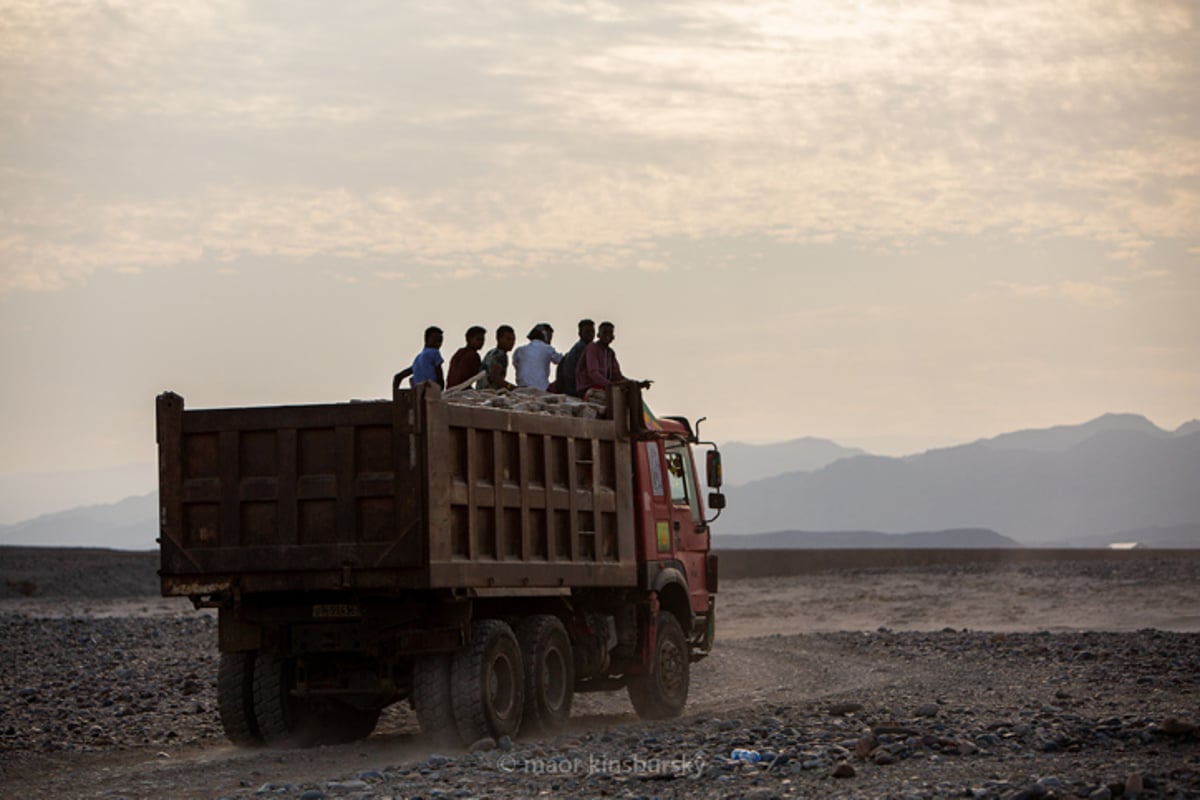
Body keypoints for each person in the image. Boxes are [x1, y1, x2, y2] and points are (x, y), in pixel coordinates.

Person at [576, 321, 651, 400]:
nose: (607, 335)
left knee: (633, 390)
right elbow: (593, 373)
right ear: (598, 335)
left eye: (610, 333)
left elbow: (617, 376)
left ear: (613, 336)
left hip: (604, 386)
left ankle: (636, 412)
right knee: (616, 397)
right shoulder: (593, 348)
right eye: (605, 332)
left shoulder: (610, 353)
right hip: (588, 387)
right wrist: (611, 385)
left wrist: (636, 384)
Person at [512, 324, 562, 391]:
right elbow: (562, 361)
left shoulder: (519, 351)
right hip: (541, 389)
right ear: (545, 335)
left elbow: (517, 366)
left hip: (522, 388)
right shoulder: (548, 349)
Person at [555, 318, 595, 397]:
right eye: (587, 332)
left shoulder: (586, 347)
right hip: (575, 388)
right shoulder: (581, 348)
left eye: (592, 332)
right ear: (580, 333)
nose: (590, 334)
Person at [477, 325, 516, 390]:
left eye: (513, 340)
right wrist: (512, 387)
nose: (512, 343)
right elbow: (495, 378)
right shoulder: (500, 355)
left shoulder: (491, 352)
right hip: (489, 392)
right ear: (499, 339)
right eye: (508, 339)